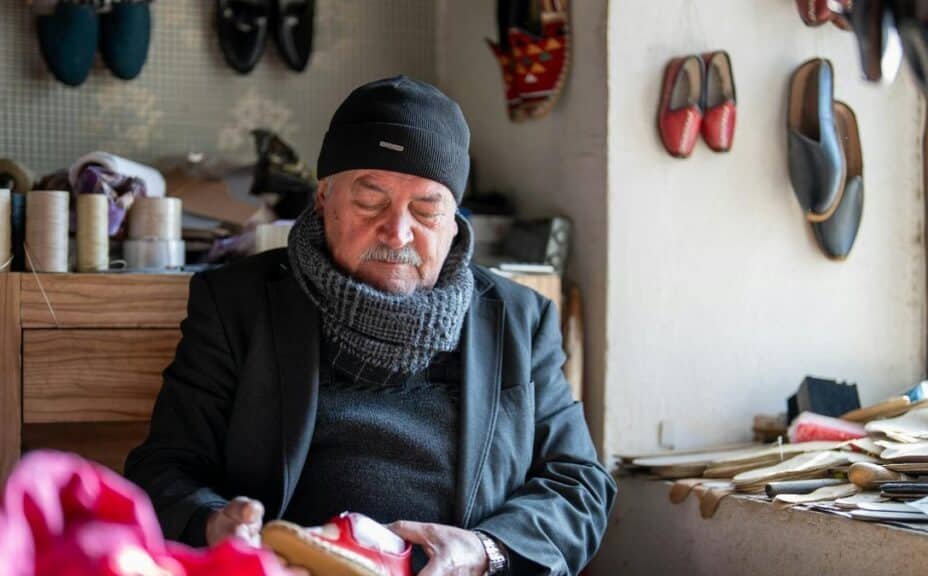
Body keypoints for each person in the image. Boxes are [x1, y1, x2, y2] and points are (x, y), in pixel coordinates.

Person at [126, 75, 616, 575]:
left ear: (454, 222)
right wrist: (216, 526)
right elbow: (163, 468)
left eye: (426, 210)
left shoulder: (519, 321)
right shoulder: (236, 303)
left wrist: (484, 550)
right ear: (323, 199)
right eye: (370, 201)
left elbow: (580, 485)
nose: (398, 232)